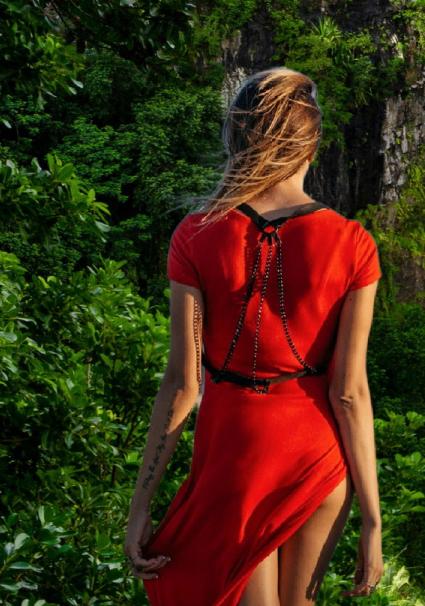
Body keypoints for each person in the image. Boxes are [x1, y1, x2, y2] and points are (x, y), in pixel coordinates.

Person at [124, 68, 384, 606]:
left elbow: (182, 384)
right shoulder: (353, 243)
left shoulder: (196, 235)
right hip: (316, 453)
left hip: (238, 453)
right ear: (311, 145)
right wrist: (373, 520)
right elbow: (349, 392)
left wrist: (142, 503)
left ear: (238, 139)